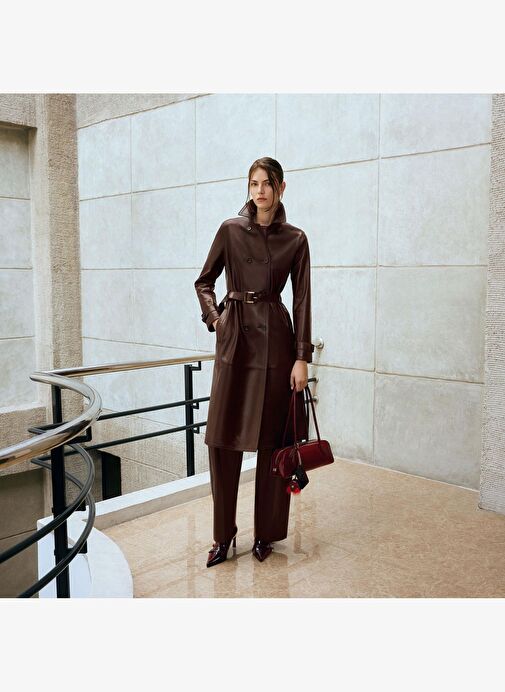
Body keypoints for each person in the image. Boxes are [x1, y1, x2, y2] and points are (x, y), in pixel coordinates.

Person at [194, 156, 314, 567]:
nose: (260, 190)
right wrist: (217, 320)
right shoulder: (230, 230)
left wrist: (302, 358)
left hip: (277, 345)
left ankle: (267, 534)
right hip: (235, 342)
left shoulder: (295, 239)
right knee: (221, 440)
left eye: (267, 183)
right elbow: (204, 281)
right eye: (254, 183)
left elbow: (302, 300)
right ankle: (223, 536)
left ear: (281, 188)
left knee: (273, 443)